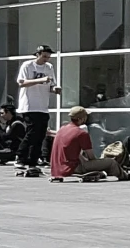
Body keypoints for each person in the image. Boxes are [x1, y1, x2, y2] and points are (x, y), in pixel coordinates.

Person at [14, 45, 57, 175]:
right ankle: (20, 157)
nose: (46, 59)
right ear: (37, 55)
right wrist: (41, 80)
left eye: (48, 57)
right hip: (29, 106)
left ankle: (33, 161)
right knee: (32, 132)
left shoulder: (49, 68)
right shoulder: (27, 66)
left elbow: (51, 85)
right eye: (44, 56)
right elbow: (22, 83)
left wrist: (55, 89)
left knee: (41, 134)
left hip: (43, 106)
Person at [48, 106, 117, 180]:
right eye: (86, 116)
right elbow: (91, 157)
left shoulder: (62, 129)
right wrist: (99, 163)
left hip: (57, 169)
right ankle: (124, 176)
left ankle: (102, 173)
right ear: (81, 119)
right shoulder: (81, 133)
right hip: (72, 168)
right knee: (111, 162)